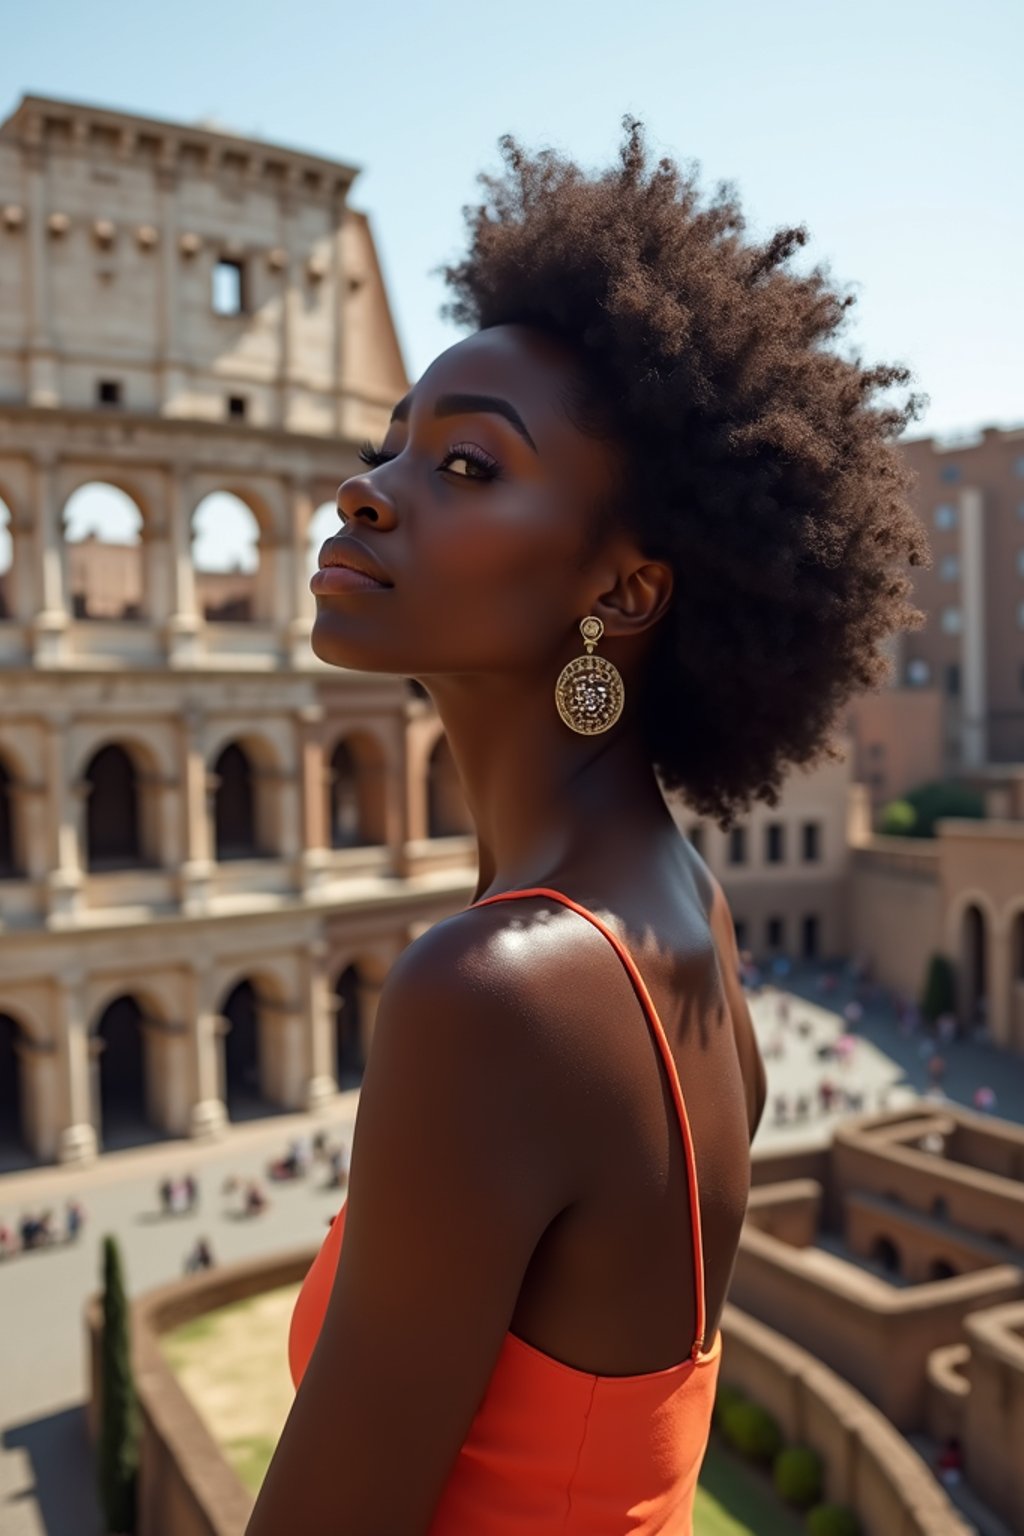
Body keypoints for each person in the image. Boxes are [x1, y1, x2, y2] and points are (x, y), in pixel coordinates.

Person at [246, 121, 926, 1536]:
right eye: (391, 448)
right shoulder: (673, 906)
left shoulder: (496, 993)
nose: (363, 491)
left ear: (619, 594)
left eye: (469, 467)